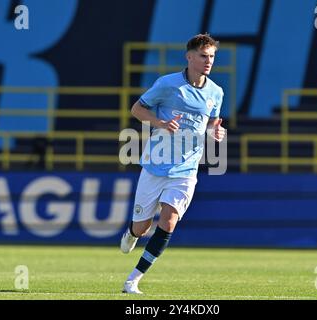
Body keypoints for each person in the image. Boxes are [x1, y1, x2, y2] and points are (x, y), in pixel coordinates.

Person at [120, 33, 226, 294]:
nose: (208, 61)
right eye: (203, 56)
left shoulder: (216, 92)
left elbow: (211, 123)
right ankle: (132, 233)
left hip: (186, 169)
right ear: (189, 57)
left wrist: (215, 132)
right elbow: (137, 109)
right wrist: (160, 123)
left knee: (168, 222)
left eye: (212, 56)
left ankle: (133, 280)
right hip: (156, 165)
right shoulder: (167, 84)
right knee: (142, 227)